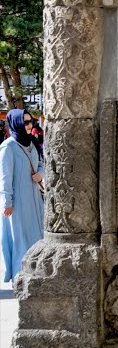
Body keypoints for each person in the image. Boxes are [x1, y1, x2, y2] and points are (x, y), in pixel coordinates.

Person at [1, 109, 44, 285]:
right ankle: (20, 278)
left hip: (34, 199)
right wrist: (7, 202)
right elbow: (4, 178)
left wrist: (40, 175)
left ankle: (35, 274)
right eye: (25, 122)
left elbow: (41, 163)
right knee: (20, 239)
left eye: (30, 122)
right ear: (16, 124)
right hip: (18, 202)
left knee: (36, 237)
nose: (29, 125)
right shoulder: (8, 147)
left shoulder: (32, 142)